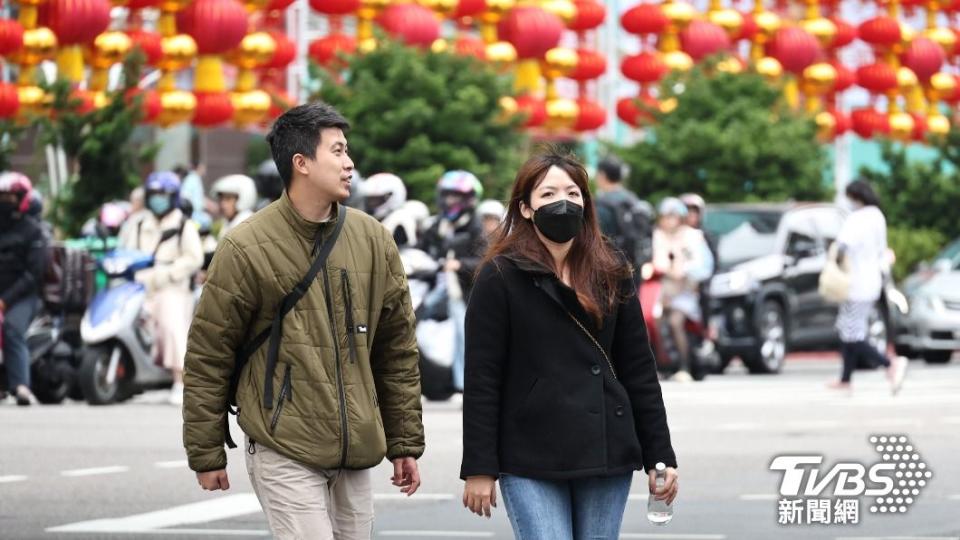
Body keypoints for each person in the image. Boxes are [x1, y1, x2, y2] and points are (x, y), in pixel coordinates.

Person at [182, 102, 424, 540]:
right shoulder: (245, 246)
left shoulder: (373, 239)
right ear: (302, 163)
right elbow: (208, 354)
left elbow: (396, 349)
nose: (349, 163)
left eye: (347, 150)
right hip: (283, 442)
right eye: (337, 151)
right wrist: (206, 451)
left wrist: (404, 443)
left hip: (356, 448)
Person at [461, 151, 678, 539]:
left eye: (573, 193)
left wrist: (660, 457)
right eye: (548, 194)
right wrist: (480, 467)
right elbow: (482, 377)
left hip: (605, 448)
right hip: (528, 453)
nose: (563, 203)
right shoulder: (500, 275)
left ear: (586, 202)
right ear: (526, 208)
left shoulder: (611, 269)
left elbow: (639, 370)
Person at [119, 171, 204, 406]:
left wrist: (168, 273)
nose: (158, 199)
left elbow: (194, 258)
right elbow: (124, 251)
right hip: (139, 286)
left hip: (173, 287)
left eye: (163, 194)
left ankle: (180, 380)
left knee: (170, 323)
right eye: (154, 194)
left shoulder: (183, 224)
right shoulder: (138, 223)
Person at [829, 180, 908, 394]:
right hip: (872, 281)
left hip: (855, 283)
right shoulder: (877, 216)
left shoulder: (858, 218)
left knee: (851, 333)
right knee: (850, 329)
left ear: (855, 196)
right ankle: (845, 379)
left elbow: (843, 245)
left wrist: (836, 264)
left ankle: (889, 363)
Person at [419, 170, 486, 394]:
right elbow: (421, 249)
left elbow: (484, 262)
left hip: (459, 290)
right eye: (448, 195)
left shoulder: (476, 227)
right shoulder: (437, 224)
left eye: (457, 196)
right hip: (431, 285)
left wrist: (458, 264)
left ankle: (462, 385)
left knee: (462, 333)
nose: (451, 201)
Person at [0, 172, 47, 406]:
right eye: (2, 197)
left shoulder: (33, 231)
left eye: (10, 197)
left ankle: (21, 386)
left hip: (22, 297)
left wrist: (5, 300)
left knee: (10, 328)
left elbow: (33, 275)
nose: (5, 201)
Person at [652, 197, 710, 382]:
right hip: (665, 289)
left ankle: (684, 366)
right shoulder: (658, 235)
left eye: (673, 216)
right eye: (666, 216)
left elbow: (701, 266)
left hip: (687, 290)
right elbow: (658, 262)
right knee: (656, 320)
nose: (669, 220)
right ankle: (665, 364)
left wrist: (683, 270)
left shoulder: (693, 236)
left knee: (676, 322)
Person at [594, 155, 653, 282]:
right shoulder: (633, 200)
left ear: (602, 175)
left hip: (610, 270)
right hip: (635, 266)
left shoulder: (602, 204)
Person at [680, 193, 718, 331]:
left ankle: (706, 331)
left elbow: (711, 263)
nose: (691, 216)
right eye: (687, 212)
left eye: (694, 212)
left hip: (699, 279)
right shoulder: (674, 234)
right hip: (678, 278)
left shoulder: (705, 236)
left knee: (705, 294)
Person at [210, 174, 258, 241]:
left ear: (242, 199)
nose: (222, 204)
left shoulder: (247, 224)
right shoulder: (227, 222)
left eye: (228, 199)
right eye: (221, 199)